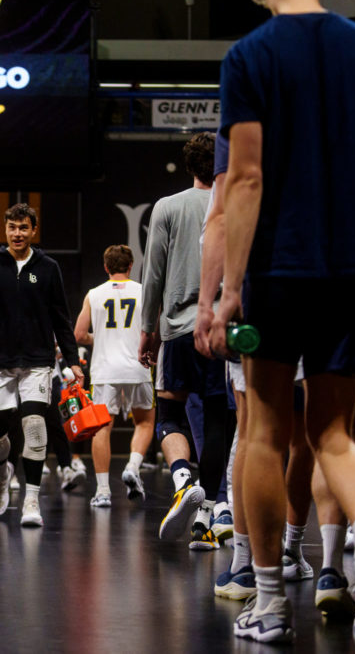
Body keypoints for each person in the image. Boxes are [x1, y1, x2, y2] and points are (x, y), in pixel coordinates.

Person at [208, 0, 355, 644]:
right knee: (334, 432)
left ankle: (272, 603)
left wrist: (229, 290)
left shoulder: (250, 56)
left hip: (280, 266)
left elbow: (245, 177)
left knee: (265, 432)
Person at [0, 203, 84, 527]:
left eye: (24, 227)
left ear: (33, 230)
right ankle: (0, 476)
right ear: (5, 230)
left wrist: (72, 360)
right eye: (12, 227)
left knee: (35, 425)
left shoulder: (48, 267)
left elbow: (61, 318)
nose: (18, 233)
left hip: (38, 362)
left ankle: (31, 501)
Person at [139, 131, 233, 549]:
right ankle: (205, 521)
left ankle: (182, 480)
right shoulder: (235, 207)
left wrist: (148, 331)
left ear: (189, 165)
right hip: (222, 329)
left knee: (169, 413)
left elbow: (153, 275)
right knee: (217, 421)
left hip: (178, 329)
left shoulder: (168, 207)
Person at [74, 244, 155, 507]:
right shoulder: (144, 291)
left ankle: (103, 492)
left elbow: (79, 335)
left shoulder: (94, 294)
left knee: (102, 428)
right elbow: (154, 330)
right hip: (138, 367)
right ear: (131, 266)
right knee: (145, 422)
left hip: (105, 370)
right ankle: (132, 466)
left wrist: (98, 337)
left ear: (106, 267)